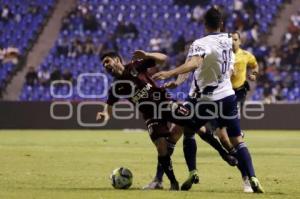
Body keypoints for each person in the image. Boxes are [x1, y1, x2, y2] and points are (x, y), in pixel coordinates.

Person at [152, 7, 264, 193]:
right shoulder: (229, 40)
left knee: (186, 130)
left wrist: (169, 73)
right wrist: (176, 81)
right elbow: (192, 70)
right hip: (227, 96)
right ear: (221, 23)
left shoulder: (200, 43)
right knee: (236, 140)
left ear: (204, 24)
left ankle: (190, 171)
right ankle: (250, 177)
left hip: (203, 99)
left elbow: (194, 64)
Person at [96, 50, 196, 190]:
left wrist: (148, 54)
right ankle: (171, 182)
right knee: (161, 146)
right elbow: (109, 105)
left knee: (188, 127)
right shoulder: (116, 87)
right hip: (150, 114)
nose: (105, 65)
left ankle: (224, 153)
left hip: (164, 103)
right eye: (103, 64)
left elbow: (163, 58)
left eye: (107, 61)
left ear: (117, 59)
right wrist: (105, 114)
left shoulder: (135, 66)